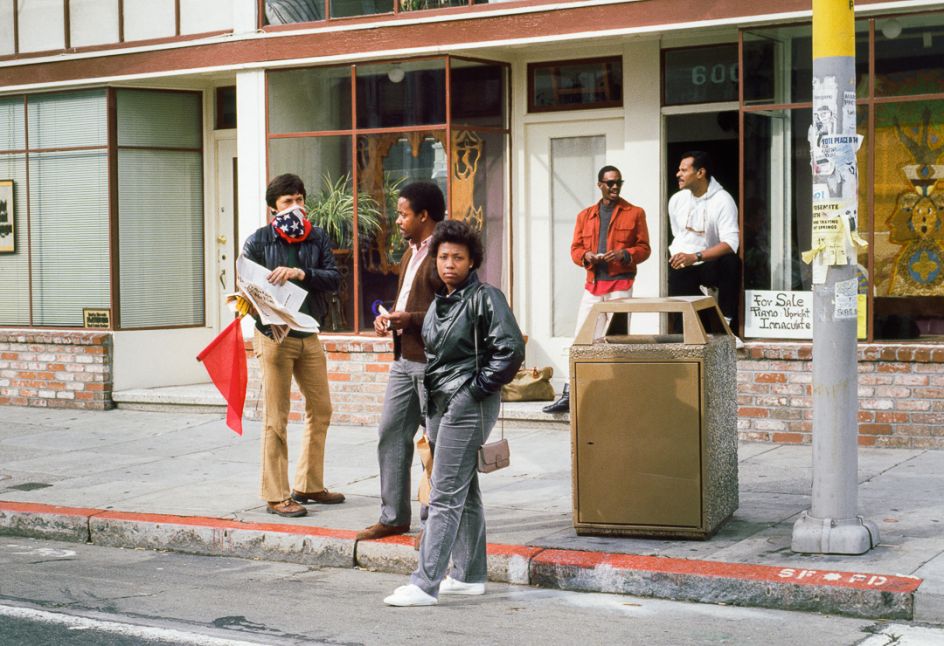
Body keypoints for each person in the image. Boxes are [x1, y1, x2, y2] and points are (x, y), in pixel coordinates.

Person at [383, 220, 525, 607]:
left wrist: (474, 391)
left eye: (458, 258)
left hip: (468, 402)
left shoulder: (486, 297)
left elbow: (510, 350)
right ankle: (468, 575)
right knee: (466, 490)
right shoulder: (440, 301)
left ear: (472, 260)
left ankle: (425, 582)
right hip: (440, 403)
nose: (449, 264)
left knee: (443, 493)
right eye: (443, 256)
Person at [241, 173, 345, 518]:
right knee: (277, 417)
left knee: (322, 408)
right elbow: (247, 291)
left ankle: (309, 484)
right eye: (288, 202)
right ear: (273, 208)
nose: (296, 207)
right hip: (274, 336)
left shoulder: (316, 237)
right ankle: (276, 495)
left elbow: (334, 279)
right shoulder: (257, 242)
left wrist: (301, 274)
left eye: (299, 199)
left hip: (308, 333)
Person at [357, 181, 445, 541]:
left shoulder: (445, 253)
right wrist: (390, 318)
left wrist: (409, 319)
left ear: (423, 216)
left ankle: (435, 522)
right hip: (404, 359)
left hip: (433, 363)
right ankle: (393, 516)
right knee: (391, 433)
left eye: (403, 213)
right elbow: (407, 303)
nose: (397, 220)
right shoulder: (411, 252)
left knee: (436, 442)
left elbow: (451, 313)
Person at [543, 165, 651, 414]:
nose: (614, 187)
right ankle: (570, 393)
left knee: (616, 341)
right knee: (582, 339)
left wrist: (624, 254)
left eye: (618, 183)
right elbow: (575, 250)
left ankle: (617, 394)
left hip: (621, 285)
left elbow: (644, 248)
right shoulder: (585, 215)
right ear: (599, 185)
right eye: (610, 183)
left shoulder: (634, 213)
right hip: (593, 285)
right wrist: (587, 256)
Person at [667, 151, 741, 339]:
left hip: (709, 261)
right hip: (685, 262)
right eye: (679, 170)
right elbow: (679, 235)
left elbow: (731, 243)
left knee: (731, 262)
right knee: (676, 270)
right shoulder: (676, 200)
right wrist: (685, 257)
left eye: (684, 170)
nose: (678, 174)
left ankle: (727, 327)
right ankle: (682, 335)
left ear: (700, 173)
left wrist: (696, 256)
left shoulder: (723, 200)